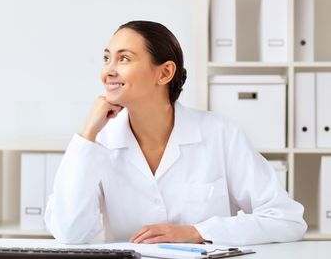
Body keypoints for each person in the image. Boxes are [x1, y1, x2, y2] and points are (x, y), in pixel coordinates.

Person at [44, 20, 307, 246]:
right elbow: (70, 232)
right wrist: (87, 132)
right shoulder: (100, 141)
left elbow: (286, 219)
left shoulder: (219, 133)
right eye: (106, 58)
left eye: (124, 58)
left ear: (165, 72)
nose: (108, 71)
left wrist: (197, 232)